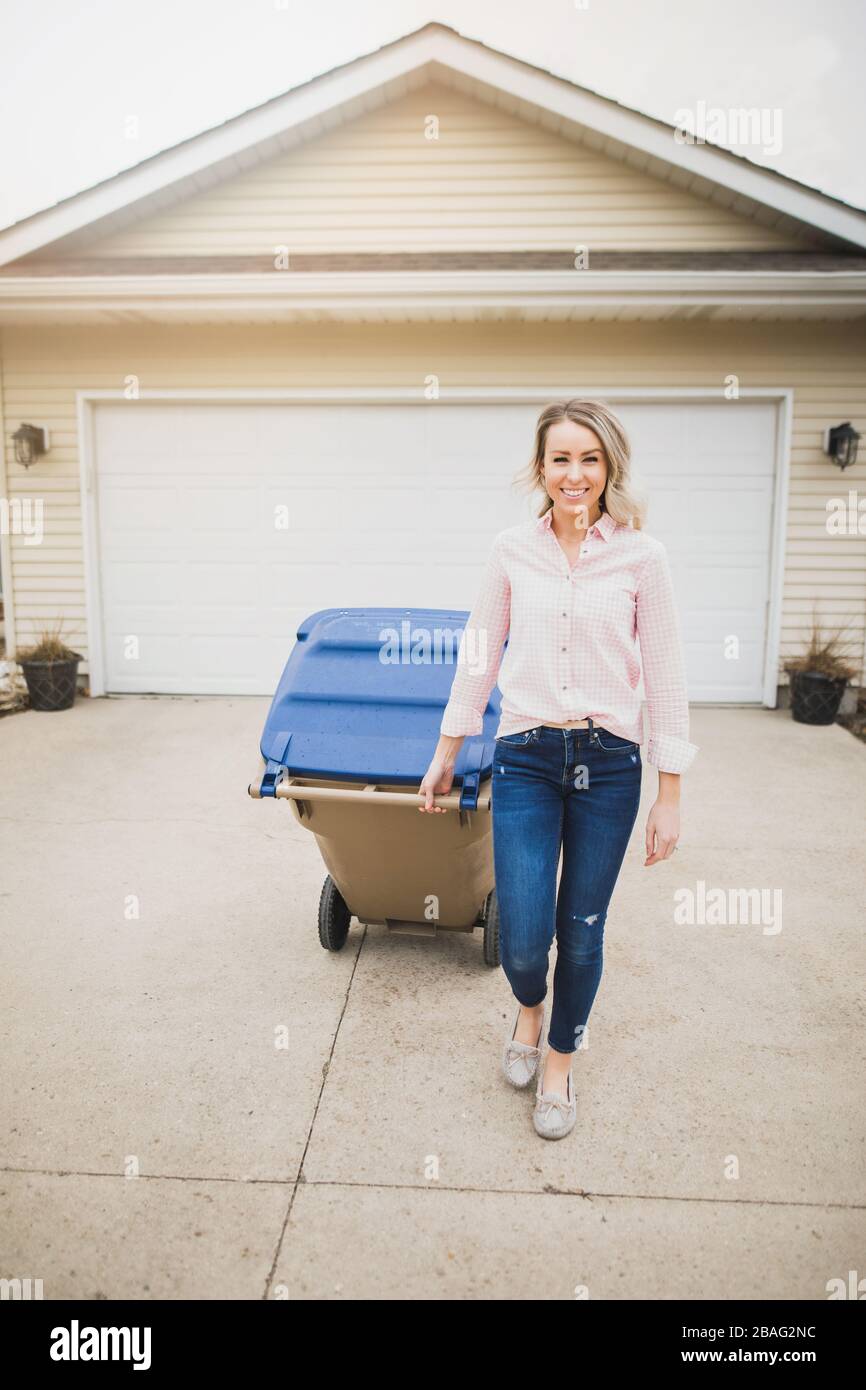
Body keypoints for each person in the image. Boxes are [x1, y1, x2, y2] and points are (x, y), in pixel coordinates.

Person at [417, 398, 698, 1140]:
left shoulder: (644, 558)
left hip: (609, 766)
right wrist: (447, 753)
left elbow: (666, 675)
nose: (575, 474)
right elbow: (480, 654)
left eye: (590, 459)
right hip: (527, 759)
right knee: (521, 936)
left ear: (610, 468)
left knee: (581, 931)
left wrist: (669, 793)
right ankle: (529, 1011)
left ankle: (560, 1063)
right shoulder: (512, 550)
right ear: (541, 468)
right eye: (561, 458)